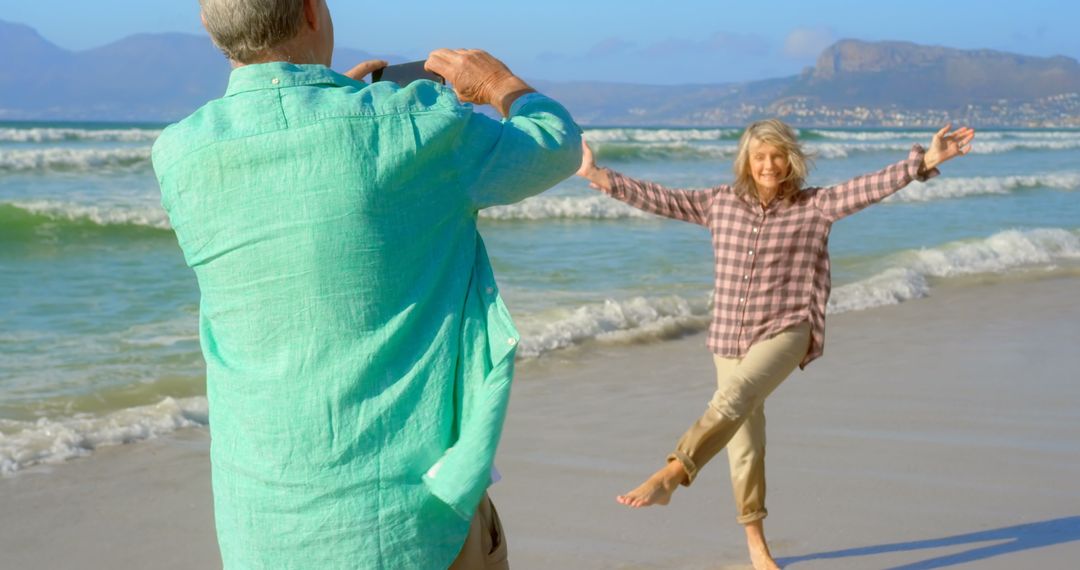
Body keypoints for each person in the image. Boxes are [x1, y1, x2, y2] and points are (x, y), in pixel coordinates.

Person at [151, 0, 581, 567]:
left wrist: (335, 104)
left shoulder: (179, 152)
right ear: (311, 12)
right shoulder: (416, 121)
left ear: (209, 28)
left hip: (263, 524)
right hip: (407, 524)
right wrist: (499, 84)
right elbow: (554, 144)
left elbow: (300, 218)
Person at [576, 119, 974, 570]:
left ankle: (673, 472)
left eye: (777, 155)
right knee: (744, 445)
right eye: (759, 156)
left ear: (792, 159)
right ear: (746, 160)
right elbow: (663, 198)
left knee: (734, 397)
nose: (768, 164)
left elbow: (869, 187)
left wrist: (923, 162)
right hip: (729, 336)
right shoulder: (719, 204)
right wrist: (597, 174)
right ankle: (757, 546)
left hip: (788, 329)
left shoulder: (816, 206)